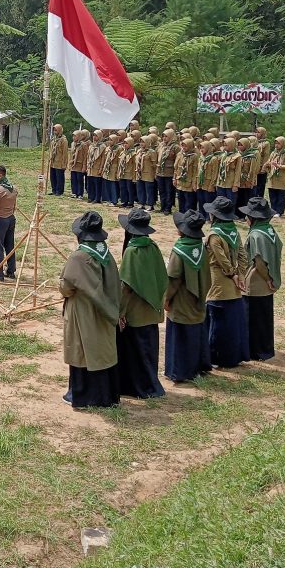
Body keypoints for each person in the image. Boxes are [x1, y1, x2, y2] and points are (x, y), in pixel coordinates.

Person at [59, 211, 121, 409]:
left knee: (82, 351)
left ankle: (83, 397)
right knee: (103, 351)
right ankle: (106, 396)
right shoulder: (106, 254)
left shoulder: (79, 257)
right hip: (106, 312)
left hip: (83, 313)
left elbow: (66, 287)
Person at [116, 208, 167, 399]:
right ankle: (151, 383)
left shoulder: (132, 251)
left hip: (135, 312)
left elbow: (126, 287)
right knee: (149, 350)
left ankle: (140, 387)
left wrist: (120, 312)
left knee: (136, 352)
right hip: (152, 309)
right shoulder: (153, 246)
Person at [163, 210, 212, 383]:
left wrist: (166, 299)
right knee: (197, 331)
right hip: (199, 298)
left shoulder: (180, 250)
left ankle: (180, 371)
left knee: (180, 335)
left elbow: (173, 279)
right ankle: (199, 366)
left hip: (182, 300)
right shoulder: (201, 246)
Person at [203, 196, 249, 368]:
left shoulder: (214, 235)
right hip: (234, 286)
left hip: (218, 283)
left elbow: (221, 259)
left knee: (217, 323)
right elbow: (243, 255)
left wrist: (232, 274)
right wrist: (241, 275)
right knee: (232, 323)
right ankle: (234, 356)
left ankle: (216, 357)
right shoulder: (233, 231)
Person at [241, 197, 282, 361]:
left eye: (248, 216)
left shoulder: (256, 235)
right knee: (265, 317)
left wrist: (267, 278)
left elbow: (259, 262)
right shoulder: (270, 230)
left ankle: (255, 351)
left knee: (253, 318)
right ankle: (266, 349)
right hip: (268, 283)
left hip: (257, 282)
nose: (245, 218)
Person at [262, 136, 285, 217]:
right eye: (275, 143)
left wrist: (279, 166)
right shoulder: (273, 153)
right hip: (272, 177)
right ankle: (273, 210)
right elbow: (269, 161)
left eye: (278, 143)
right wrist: (267, 165)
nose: (276, 145)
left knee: (280, 196)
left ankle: (279, 211)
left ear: (283, 144)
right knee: (272, 195)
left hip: (281, 178)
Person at [156, 129, 179, 215]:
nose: (164, 138)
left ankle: (168, 208)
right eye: (163, 136)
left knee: (169, 191)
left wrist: (175, 174)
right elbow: (158, 158)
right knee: (162, 191)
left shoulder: (175, 147)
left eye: (166, 136)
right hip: (160, 172)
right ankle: (162, 207)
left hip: (169, 172)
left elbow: (177, 160)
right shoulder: (161, 145)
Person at [174, 136, 199, 213]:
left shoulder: (194, 156)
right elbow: (176, 168)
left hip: (189, 182)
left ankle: (188, 215)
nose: (184, 147)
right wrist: (174, 178)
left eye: (186, 146)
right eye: (183, 146)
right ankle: (181, 214)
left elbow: (195, 171)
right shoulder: (180, 154)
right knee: (181, 200)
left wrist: (194, 183)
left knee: (189, 201)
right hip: (180, 181)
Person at [215, 135, 241, 208]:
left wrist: (235, 185)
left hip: (230, 183)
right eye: (224, 145)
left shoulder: (237, 156)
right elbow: (220, 169)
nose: (224, 147)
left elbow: (238, 171)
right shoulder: (223, 155)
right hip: (221, 182)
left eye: (226, 145)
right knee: (220, 201)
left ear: (231, 145)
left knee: (230, 202)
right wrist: (217, 182)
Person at [236, 137, 259, 218]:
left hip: (248, 181)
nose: (239, 147)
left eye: (241, 145)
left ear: (246, 145)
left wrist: (249, 180)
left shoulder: (252, 156)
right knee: (240, 198)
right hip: (239, 181)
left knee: (248, 198)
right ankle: (239, 215)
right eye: (238, 145)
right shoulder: (238, 155)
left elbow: (253, 170)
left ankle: (248, 215)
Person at [197, 139, 219, 214]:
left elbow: (214, 173)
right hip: (200, 183)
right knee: (201, 200)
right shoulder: (201, 158)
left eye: (203, 148)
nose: (201, 149)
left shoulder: (213, 159)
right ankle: (201, 215)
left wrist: (212, 185)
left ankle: (208, 217)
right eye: (200, 148)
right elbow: (198, 171)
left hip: (208, 184)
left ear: (208, 148)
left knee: (208, 202)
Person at [48, 124, 69, 197]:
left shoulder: (64, 140)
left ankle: (59, 191)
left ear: (60, 130)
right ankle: (54, 190)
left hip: (59, 162)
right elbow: (51, 149)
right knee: (53, 176)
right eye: (54, 130)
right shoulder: (53, 139)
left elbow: (65, 153)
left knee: (59, 177)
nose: (54, 131)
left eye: (56, 130)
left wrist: (64, 163)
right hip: (53, 161)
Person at [102, 133, 121, 206]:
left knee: (113, 185)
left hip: (114, 168)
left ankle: (114, 200)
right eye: (109, 140)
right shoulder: (107, 148)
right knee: (107, 184)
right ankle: (109, 200)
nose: (109, 141)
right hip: (107, 168)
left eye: (111, 140)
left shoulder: (119, 148)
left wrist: (118, 171)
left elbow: (119, 161)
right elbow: (105, 159)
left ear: (115, 140)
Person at [69, 130, 89, 200]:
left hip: (80, 165)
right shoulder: (72, 144)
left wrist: (84, 166)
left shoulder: (83, 145)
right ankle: (74, 192)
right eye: (73, 136)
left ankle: (80, 194)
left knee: (79, 180)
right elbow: (71, 154)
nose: (73, 137)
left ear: (79, 136)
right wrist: (70, 163)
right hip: (73, 165)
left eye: (75, 136)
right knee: (73, 179)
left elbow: (85, 156)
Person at [254, 127, 272, 198]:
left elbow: (266, 156)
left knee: (260, 185)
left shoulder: (266, 143)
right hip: (254, 166)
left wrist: (263, 168)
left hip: (261, 167)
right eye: (256, 132)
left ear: (263, 133)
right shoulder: (254, 142)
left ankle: (259, 200)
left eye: (258, 132)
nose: (257, 134)